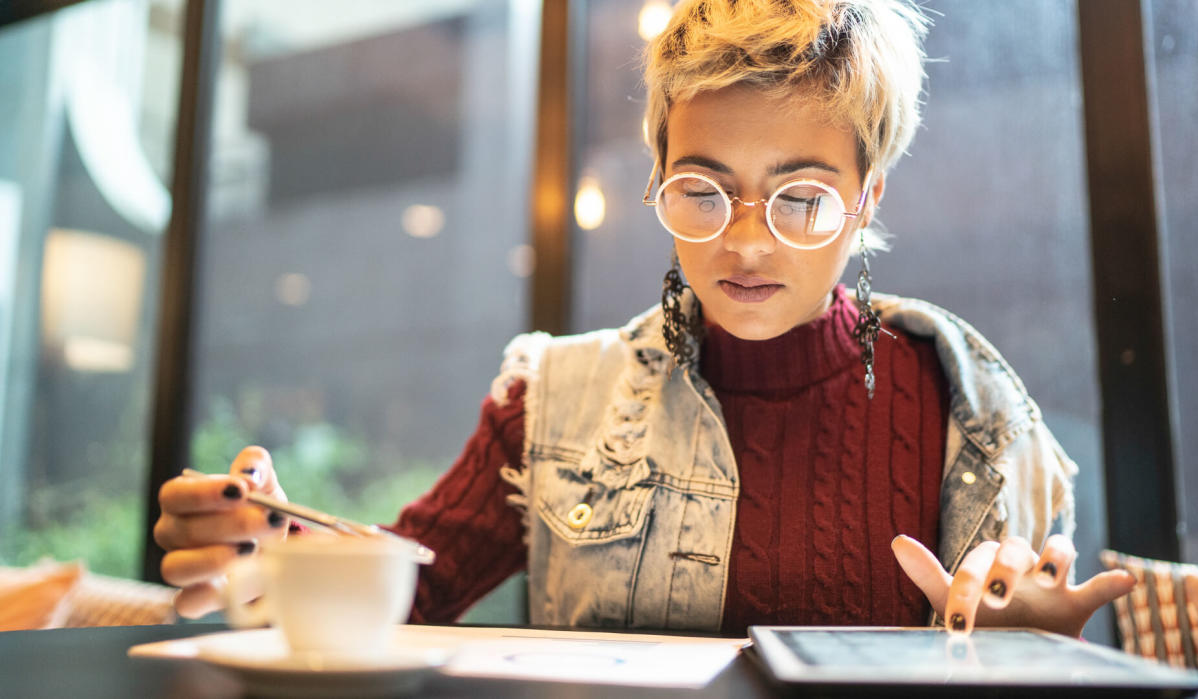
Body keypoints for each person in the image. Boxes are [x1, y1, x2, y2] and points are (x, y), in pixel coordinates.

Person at [154, 0, 1135, 637]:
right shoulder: (551, 399)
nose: (746, 245)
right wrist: (279, 550)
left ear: (867, 197)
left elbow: (1026, 624)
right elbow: (417, 583)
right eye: (704, 191)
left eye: (800, 199)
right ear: (659, 176)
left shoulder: (972, 409)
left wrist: (1031, 647)